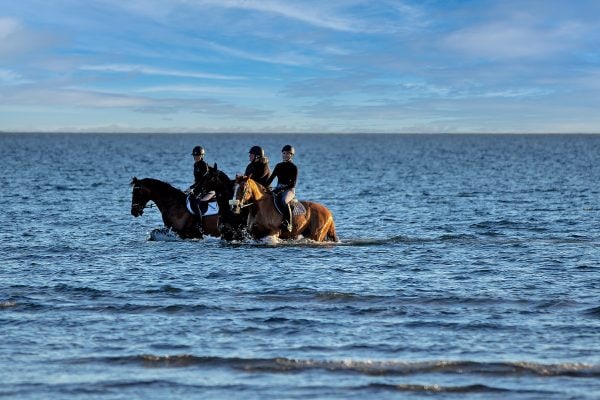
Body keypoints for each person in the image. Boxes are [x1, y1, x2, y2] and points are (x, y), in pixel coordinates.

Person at [265, 144, 298, 232]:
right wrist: (264, 187)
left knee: (284, 201)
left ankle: (288, 224)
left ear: (291, 155)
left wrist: (282, 189)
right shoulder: (278, 166)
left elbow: (293, 184)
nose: (285, 155)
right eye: (284, 153)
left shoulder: (294, 167)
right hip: (278, 188)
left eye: (287, 153)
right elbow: (271, 178)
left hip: (289, 190)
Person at [188, 145, 215, 231]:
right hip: (199, 188)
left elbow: (204, 180)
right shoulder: (196, 165)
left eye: (198, 155)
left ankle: (199, 226)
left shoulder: (203, 165)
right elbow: (197, 179)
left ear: (202, 156)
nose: (196, 157)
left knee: (196, 203)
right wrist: (192, 187)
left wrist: (193, 187)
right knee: (189, 198)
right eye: (194, 155)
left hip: (207, 190)